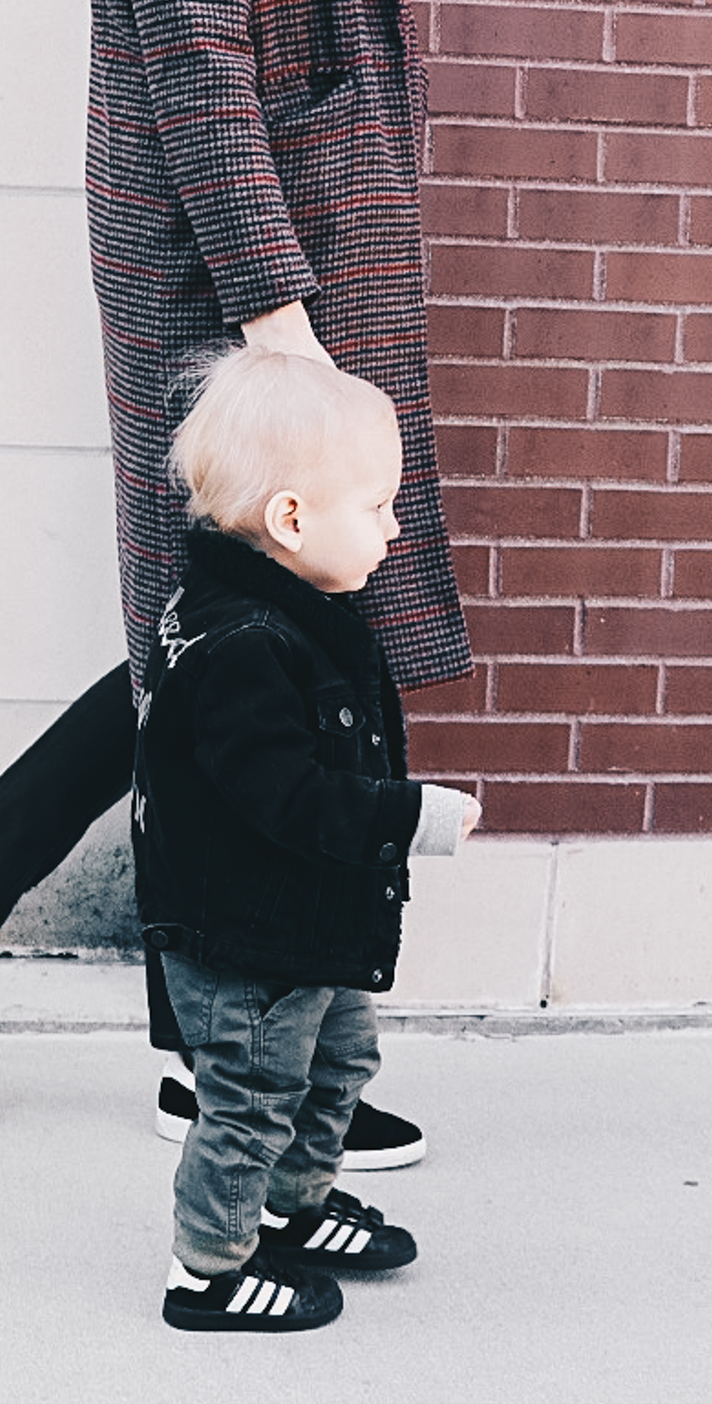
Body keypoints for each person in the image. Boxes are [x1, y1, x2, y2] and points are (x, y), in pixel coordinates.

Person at [0, 0, 472, 1159]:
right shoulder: (268, 327)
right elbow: (197, 64)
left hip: (295, 273)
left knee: (221, 650)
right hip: (247, 300)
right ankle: (201, 1042)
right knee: (246, 649)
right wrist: (279, 328)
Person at [146, 348, 479, 1332]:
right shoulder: (241, 648)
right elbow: (286, 796)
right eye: (376, 505)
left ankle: (291, 1209)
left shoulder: (306, 616)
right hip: (247, 943)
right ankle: (207, 1269)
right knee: (249, 1098)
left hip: (307, 925)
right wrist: (409, 820)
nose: (394, 525)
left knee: (335, 1068)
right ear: (290, 519)